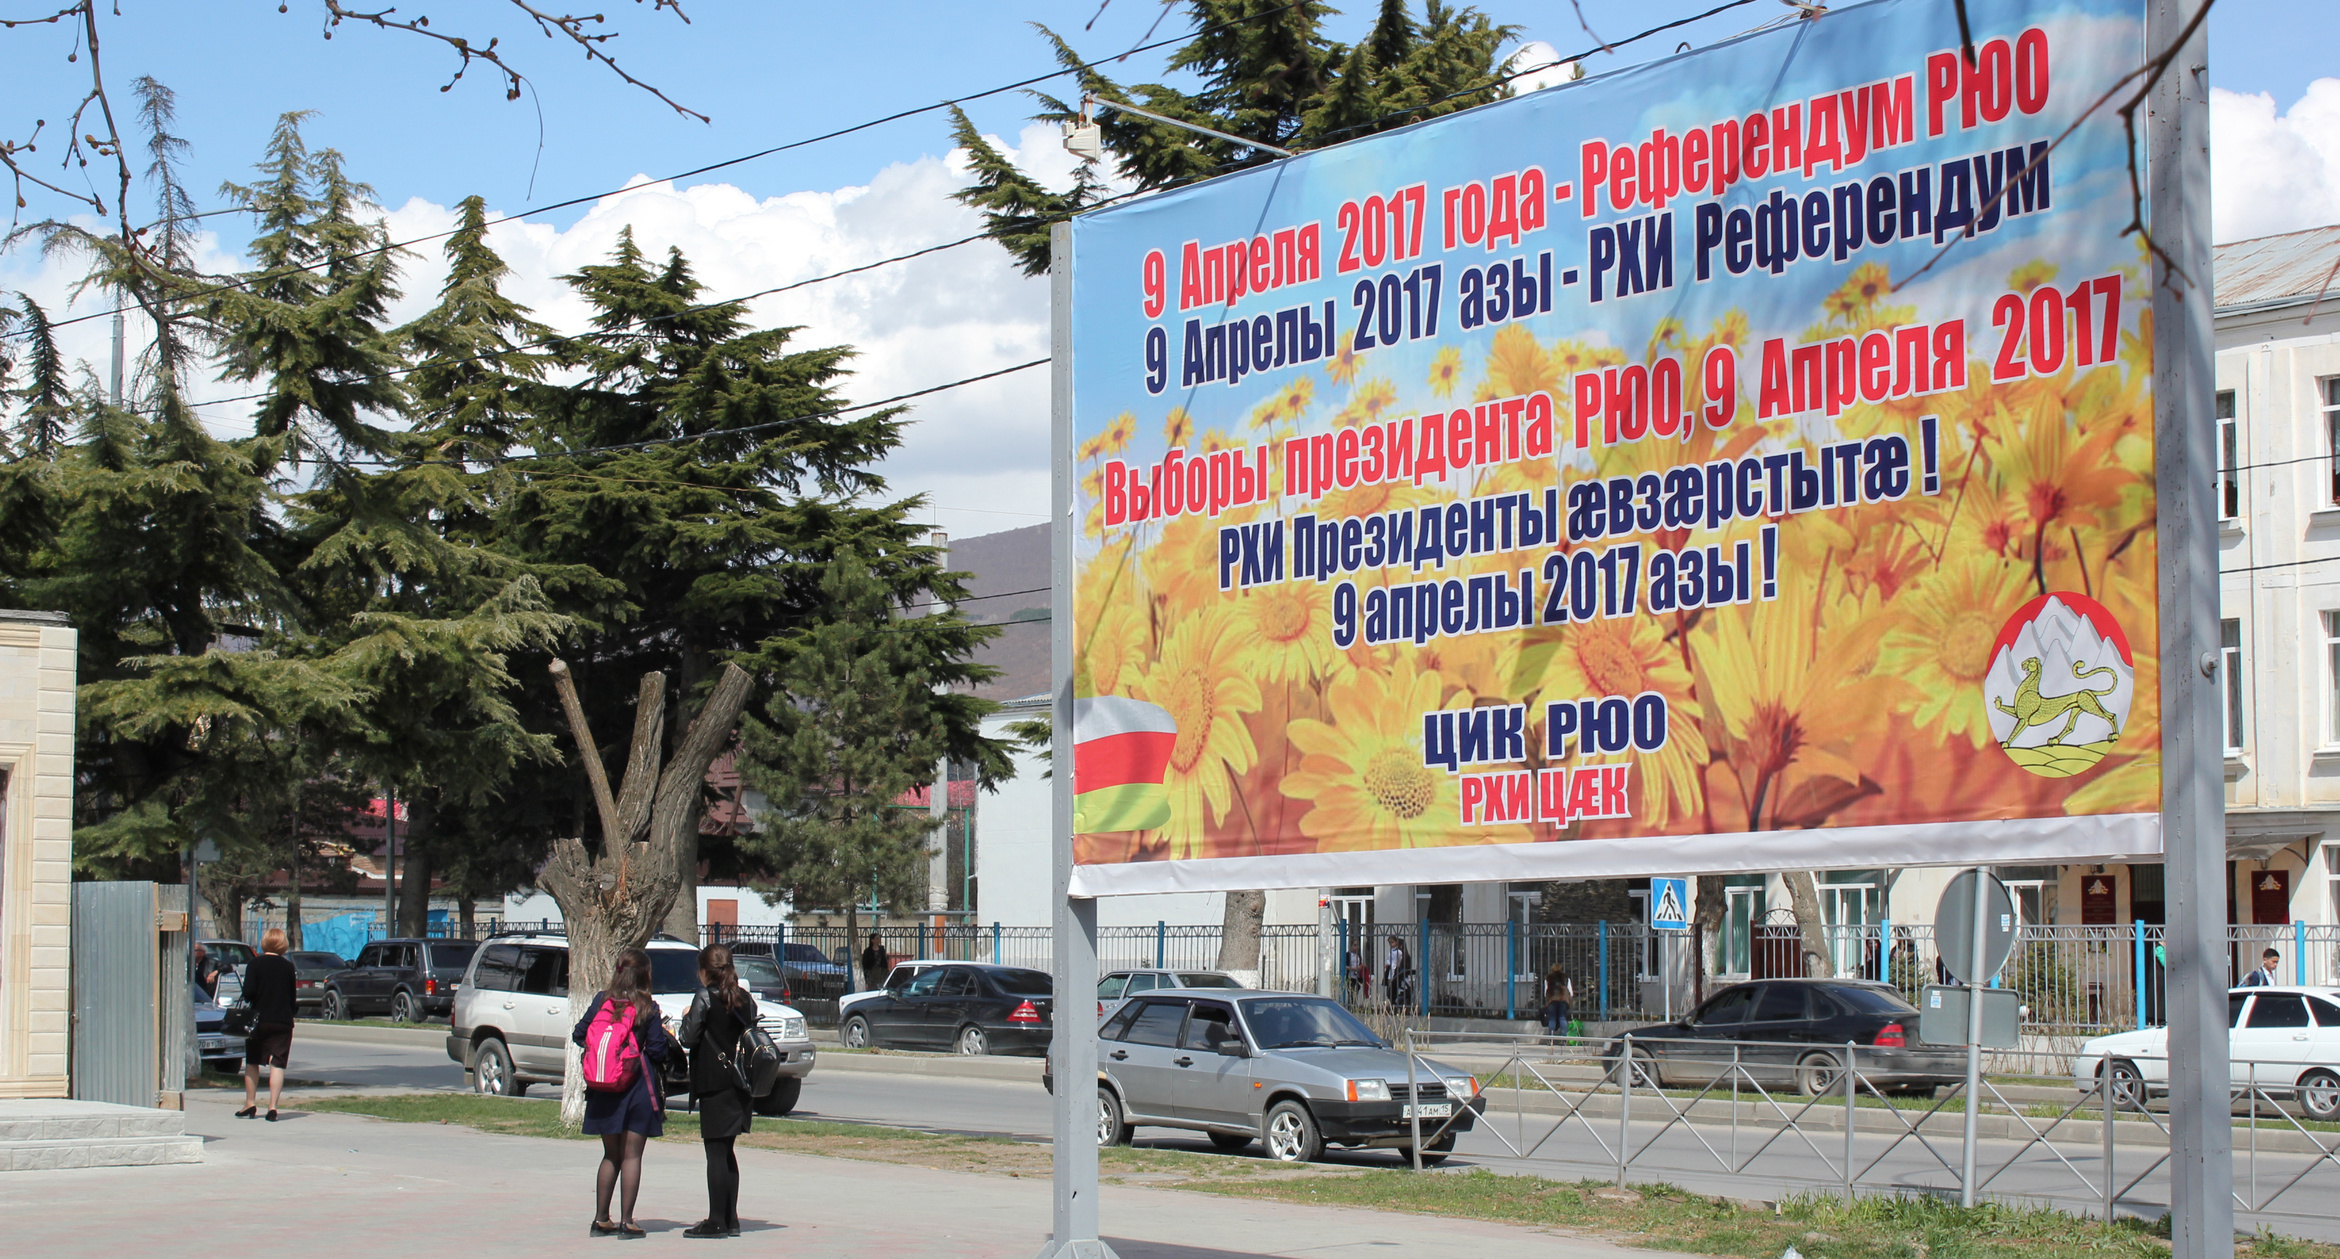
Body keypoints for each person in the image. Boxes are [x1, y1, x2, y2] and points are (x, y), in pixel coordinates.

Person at [573, 948, 675, 1239]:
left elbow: (579, 1034)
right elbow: (657, 1050)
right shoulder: (647, 1006)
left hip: (603, 1086)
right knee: (632, 1156)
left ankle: (600, 1219)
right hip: (636, 1087)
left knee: (611, 1154)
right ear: (645, 975)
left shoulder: (601, 1000)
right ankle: (627, 1222)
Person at [679, 944, 758, 1239]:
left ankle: (716, 1221)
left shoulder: (705, 997)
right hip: (740, 1082)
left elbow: (688, 1037)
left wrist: (687, 1015)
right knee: (726, 1151)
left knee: (715, 1152)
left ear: (704, 972)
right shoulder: (744, 998)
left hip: (713, 1083)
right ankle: (730, 1218)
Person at [236, 929, 299, 1121]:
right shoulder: (288, 967)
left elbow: (249, 993)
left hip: (259, 1021)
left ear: (264, 942)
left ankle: (250, 1103)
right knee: (277, 1063)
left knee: (253, 1062)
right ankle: (273, 1107)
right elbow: (292, 997)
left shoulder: (255, 964)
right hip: (283, 1021)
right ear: (282, 944)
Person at [1541, 966, 1575, 1039]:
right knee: (1562, 1018)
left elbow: (1545, 993)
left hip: (1552, 1000)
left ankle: (1551, 1038)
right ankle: (1564, 1038)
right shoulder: (1566, 978)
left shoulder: (1548, 978)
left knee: (1552, 1018)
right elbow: (1571, 993)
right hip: (1563, 1000)